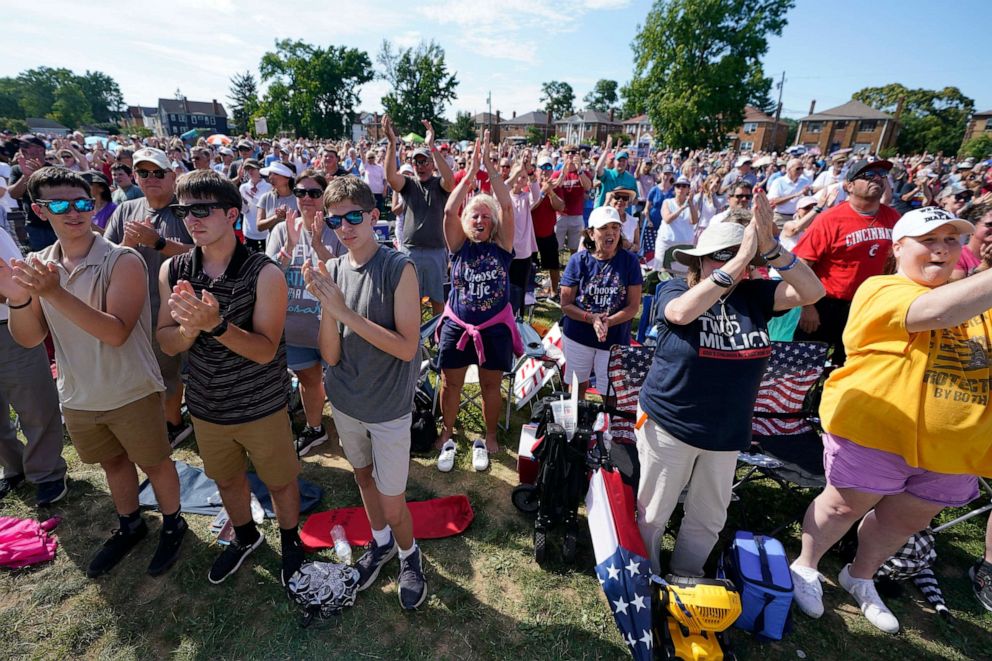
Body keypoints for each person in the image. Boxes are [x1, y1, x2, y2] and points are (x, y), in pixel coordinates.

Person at [789, 207, 992, 633]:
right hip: (876, 431)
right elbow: (934, 312)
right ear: (898, 247)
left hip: (957, 446)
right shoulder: (882, 288)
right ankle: (806, 564)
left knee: (908, 520)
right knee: (843, 505)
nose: (941, 249)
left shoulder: (979, 301)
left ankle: (860, 576)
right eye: (929, 240)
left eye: (951, 240)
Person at [1, 166, 185, 578]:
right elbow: (30, 338)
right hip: (79, 394)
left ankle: (174, 522)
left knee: (156, 463)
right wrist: (18, 299)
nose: (74, 212)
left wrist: (53, 292)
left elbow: (116, 332)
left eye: (82, 203)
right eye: (60, 204)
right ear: (39, 210)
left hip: (131, 387)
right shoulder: (38, 265)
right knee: (113, 464)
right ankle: (130, 524)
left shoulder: (122, 260)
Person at [636, 191, 824, 577]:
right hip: (673, 424)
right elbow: (680, 313)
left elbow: (812, 291)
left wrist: (771, 248)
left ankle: (686, 578)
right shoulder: (675, 288)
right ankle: (647, 577)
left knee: (708, 518)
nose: (734, 265)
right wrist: (737, 262)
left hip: (727, 431)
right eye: (719, 255)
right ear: (700, 261)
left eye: (741, 256)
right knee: (654, 513)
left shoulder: (756, 296)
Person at [156, 169, 304, 586]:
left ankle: (291, 540)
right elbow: (167, 343)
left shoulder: (265, 272)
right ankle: (245, 536)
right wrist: (189, 330)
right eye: (185, 210)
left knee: (281, 481)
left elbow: (265, 350)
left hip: (261, 404)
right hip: (206, 405)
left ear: (233, 214)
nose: (192, 219)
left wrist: (215, 324)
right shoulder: (174, 270)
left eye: (203, 209)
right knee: (226, 480)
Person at [302, 175, 427, 610]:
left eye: (354, 216)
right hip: (347, 403)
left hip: (389, 407)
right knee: (362, 478)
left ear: (374, 216)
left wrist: (343, 311)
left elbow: (407, 346)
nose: (346, 227)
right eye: (336, 221)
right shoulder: (333, 271)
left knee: (395, 506)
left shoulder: (398, 268)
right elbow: (331, 357)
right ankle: (381, 545)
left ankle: (410, 554)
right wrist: (326, 305)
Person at [434, 135, 519, 473]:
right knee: (450, 383)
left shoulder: (502, 247)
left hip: (494, 328)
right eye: (474, 216)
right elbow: (448, 210)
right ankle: (446, 432)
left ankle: (490, 435)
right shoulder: (459, 246)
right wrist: (469, 175)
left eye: (486, 216)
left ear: (493, 222)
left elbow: (509, 207)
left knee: (490, 386)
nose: (480, 221)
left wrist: (491, 172)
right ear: (466, 222)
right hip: (458, 324)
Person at [104, 148, 195, 445]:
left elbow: (203, 255)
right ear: (135, 177)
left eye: (158, 172)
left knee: (171, 371)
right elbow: (106, 258)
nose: (151, 178)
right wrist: (129, 243)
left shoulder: (187, 209)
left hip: (177, 306)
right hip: (133, 307)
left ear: (172, 176)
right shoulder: (125, 210)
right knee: (146, 369)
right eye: (143, 173)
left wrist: (157, 242)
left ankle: (174, 422)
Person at [267, 169, 345, 456]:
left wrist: (316, 245)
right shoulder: (280, 230)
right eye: (300, 193)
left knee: (339, 381)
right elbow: (271, 276)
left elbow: (345, 274)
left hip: (330, 325)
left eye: (314, 193)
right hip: (295, 326)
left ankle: (352, 429)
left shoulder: (337, 229)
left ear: (324, 197)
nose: (307, 198)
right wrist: (288, 245)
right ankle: (315, 428)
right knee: (309, 380)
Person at [791, 159, 899, 365]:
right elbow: (803, 265)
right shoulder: (830, 219)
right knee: (802, 367)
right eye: (868, 175)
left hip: (866, 305)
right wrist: (807, 306)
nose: (876, 178)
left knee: (849, 366)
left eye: (881, 175)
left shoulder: (893, 217)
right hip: (825, 305)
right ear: (849, 185)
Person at [0, 225, 68, 506]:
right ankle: (13, 467)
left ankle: (47, 472)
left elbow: (17, 284)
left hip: (8, 324)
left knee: (34, 403)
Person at [559, 206, 643, 400]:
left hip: (614, 338)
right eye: (604, 228)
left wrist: (608, 322)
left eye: (615, 227)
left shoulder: (630, 262)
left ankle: (607, 428)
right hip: (578, 336)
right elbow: (566, 304)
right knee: (577, 388)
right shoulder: (578, 261)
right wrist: (591, 319)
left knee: (610, 394)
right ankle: (578, 426)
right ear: (591, 233)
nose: (611, 233)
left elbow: (633, 306)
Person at [383, 116, 454, 317]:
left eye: (424, 161)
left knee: (438, 299)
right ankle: (413, 338)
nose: (420, 166)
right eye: (417, 162)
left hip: (435, 251)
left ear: (432, 164)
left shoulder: (439, 184)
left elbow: (450, 180)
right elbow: (390, 177)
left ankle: (438, 337)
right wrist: (391, 143)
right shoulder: (409, 184)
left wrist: (432, 146)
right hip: (410, 250)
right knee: (410, 299)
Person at [531, 155, 565, 298]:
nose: (545, 171)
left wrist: (550, 192)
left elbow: (560, 207)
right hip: (531, 234)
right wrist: (543, 191)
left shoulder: (556, 187)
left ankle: (554, 291)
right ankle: (529, 291)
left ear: (552, 171)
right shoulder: (531, 185)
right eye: (542, 168)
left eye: (548, 167)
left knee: (553, 265)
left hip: (548, 233)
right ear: (537, 170)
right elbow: (531, 207)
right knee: (530, 265)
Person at [654, 176, 698, 273]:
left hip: (685, 244)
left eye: (684, 186)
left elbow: (694, 221)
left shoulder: (693, 203)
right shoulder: (667, 202)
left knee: (683, 275)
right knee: (661, 272)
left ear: (688, 189)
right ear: (674, 188)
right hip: (667, 244)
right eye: (678, 186)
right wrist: (682, 208)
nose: (681, 188)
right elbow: (667, 219)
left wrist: (690, 204)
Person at [555, 146, 592, 253]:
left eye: (573, 152)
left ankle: (574, 266)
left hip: (576, 215)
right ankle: (557, 267)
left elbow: (588, 187)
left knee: (576, 248)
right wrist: (563, 173)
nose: (570, 155)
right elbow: (556, 187)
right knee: (556, 246)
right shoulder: (557, 173)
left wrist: (579, 170)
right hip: (560, 215)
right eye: (567, 152)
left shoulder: (583, 173)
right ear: (563, 155)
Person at [767, 158, 813, 230]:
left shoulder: (805, 181)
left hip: (798, 218)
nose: (800, 171)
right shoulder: (778, 182)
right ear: (788, 169)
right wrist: (795, 195)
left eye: (802, 168)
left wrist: (806, 194)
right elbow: (773, 201)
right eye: (797, 169)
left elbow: (809, 202)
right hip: (780, 218)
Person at [238, 160, 272, 253]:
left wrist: (250, 198)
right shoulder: (243, 187)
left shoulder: (268, 187)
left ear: (259, 170)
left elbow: (267, 206)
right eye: (248, 169)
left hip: (265, 231)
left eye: (253, 168)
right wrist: (243, 203)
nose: (250, 171)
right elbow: (244, 211)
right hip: (249, 231)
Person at [255, 161, 298, 234]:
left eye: (275, 173)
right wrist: (276, 217)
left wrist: (287, 218)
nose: (270, 177)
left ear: (287, 178)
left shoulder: (299, 198)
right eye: (270, 174)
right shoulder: (265, 197)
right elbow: (259, 226)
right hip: (272, 244)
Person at [594, 137, 636, 207]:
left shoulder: (631, 179)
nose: (621, 163)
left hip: (621, 214)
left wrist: (628, 200)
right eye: (619, 160)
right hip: (604, 211)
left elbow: (635, 199)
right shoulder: (608, 173)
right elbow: (598, 169)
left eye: (624, 161)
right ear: (614, 162)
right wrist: (607, 150)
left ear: (627, 162)